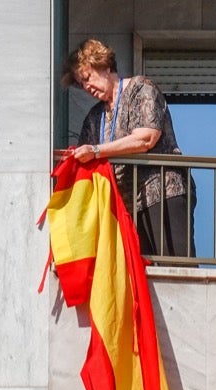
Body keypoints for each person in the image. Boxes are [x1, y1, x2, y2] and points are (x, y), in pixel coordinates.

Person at [63, 38, 194, 258]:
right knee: (142, 279)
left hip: (161, 192)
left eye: (87, 77)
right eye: (80, 84)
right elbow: (84, 158)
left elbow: (146, 138)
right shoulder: (95, 117)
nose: (86, 87)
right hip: (126, 207)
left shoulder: (140, 89)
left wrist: (96, 150)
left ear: (104, 65)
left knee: (177, 269)